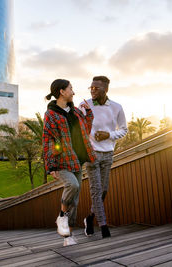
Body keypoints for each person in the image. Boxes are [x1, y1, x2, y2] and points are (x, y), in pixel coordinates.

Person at [43, 79, 96, 246]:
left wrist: (89, 114)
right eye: (71, 89)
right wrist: (50, 166)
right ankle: (61, 216)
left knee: (75, 200)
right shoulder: (51, 114)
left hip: (77, 159)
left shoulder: (76, 112)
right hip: (62, 160)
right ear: (62, 92)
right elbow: (47, 140)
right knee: (72, 186)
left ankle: (68, 236)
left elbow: (85, 130)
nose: (73, 92)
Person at [79, 76, 128, 238]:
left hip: (108, 153)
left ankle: (90, 217)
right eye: (91, 88)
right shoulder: (84, 105)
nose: (92, 90)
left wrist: (109, 135)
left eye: (96, 88)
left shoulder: (116, 107)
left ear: (105, 90)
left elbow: (123, 129)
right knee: (96, 190)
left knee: (104, 190)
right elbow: (78, 128)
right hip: (91, 153)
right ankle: (104, 227)